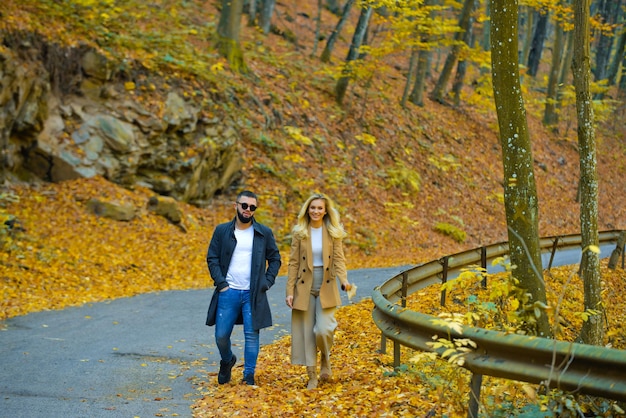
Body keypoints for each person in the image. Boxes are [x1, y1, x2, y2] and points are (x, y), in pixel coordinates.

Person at [205, 190, 281, 386]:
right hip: (228, 292)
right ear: (236, 205)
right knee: (221, 336)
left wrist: (267, 282)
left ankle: (248, 376)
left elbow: (275, 259)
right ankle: (227, 359)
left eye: (252, 207)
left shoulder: (263, 233)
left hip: (253, 293)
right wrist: (221, 284)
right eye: (244, 205)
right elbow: (212, 257)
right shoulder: (222, 231)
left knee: (251, 334)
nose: (248, 210)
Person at [285, 193, 352, 389]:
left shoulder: (332, 231)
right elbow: (293, 263)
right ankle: (312, 375)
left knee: (323, 330)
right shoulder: (300, 232)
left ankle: (325, 356)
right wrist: (290, 290)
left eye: (319, 208)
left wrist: (344, 280)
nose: (315, 211)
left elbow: (339, 259)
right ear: (308, 209)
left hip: (327, 284)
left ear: (325, 211)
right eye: (312, 207)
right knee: (306, 332)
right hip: (304, 285)